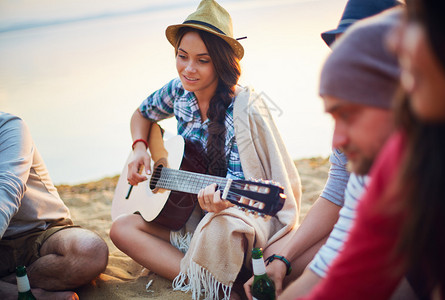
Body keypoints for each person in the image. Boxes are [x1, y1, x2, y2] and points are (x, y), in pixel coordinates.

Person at [109, 1, 301, 299]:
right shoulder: (178, 91)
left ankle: (217, 285)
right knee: (120, 228)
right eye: (182, 56)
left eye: (202, 60)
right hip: (185, 216)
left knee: (220, 227)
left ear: (221, 63)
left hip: (224, 220)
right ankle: (212, 281)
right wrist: (139, 148)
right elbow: (141, 114)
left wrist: (222, 205)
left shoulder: (241, 112)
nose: (188, 69)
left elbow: (246, 206)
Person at [244, 1, 401, 299]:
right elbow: (339, 192)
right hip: (368, 230)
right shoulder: (356, 124)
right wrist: (283, 260)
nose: (337, 139)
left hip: (400, 253)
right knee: (273, 254)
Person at [296, 0, 445, 298]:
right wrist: (282, 258)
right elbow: (344, 274)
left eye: (419, 17)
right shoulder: (403, 157)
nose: (394, 39)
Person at [0, 112, 109, 300]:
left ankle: (12, 287)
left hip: (42, 233)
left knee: (90, 251)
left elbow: (8, 189)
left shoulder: (9, 126)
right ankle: (22, 293)